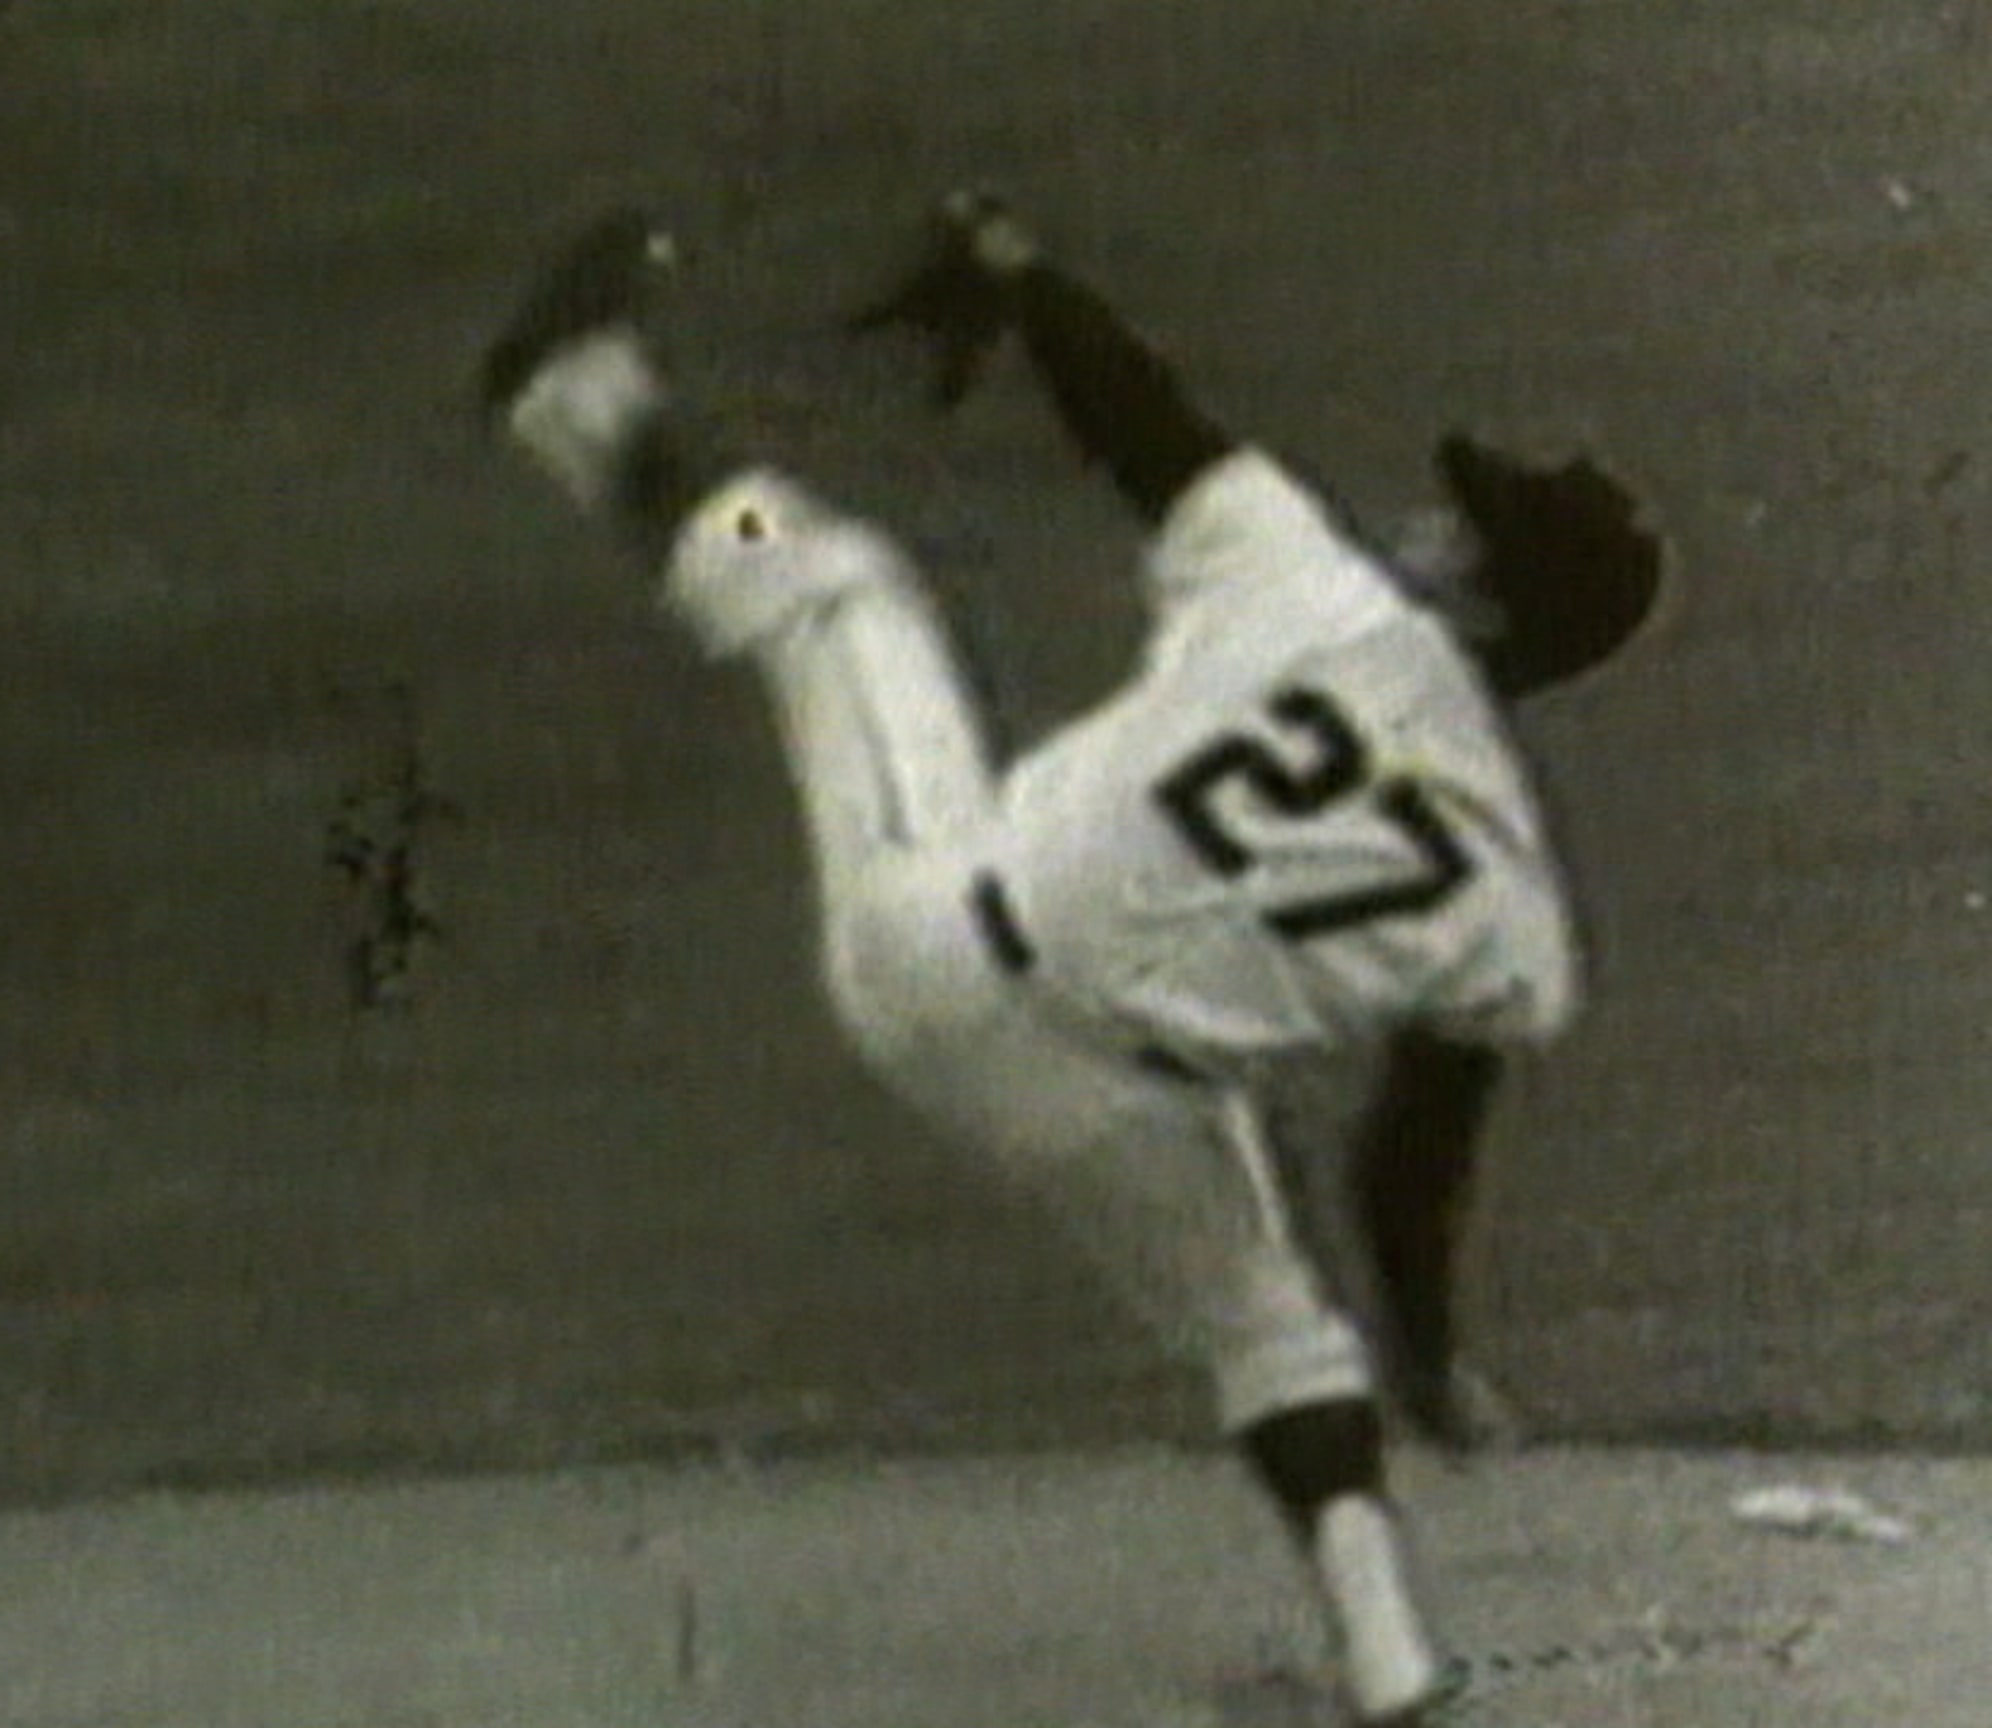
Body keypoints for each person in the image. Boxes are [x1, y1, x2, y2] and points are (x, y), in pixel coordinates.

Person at [476, 194, 1663, 1728]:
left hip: (936, 946)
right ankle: (1390, 1668)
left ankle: (577, 395)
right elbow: (1406, 1169)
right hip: (1111, 1108)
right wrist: (1429, 1361)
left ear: (1489, 598)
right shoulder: (1513, 903)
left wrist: (1020, 277)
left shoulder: (1316, 593)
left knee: (835, 593)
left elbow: (1145, 422)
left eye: (1468, 525)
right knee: (1270, 1317)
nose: (1430, 520)